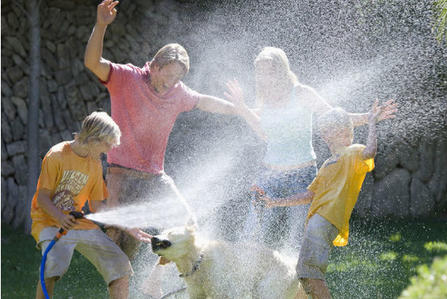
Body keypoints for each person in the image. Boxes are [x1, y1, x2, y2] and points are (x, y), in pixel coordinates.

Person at [84, 1, 257, 297]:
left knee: (187, 224)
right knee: (119, 250)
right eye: (169, 74)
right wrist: (101, 25)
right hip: (121, 175)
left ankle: (154, 283)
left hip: (155, 177)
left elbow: (205, 101)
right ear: (154, 65)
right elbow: (92, 62)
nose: (172, 82)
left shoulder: (178, 93)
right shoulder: (126, 78)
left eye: (178, 78)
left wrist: (238, 109)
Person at [228, 46, 396, 252]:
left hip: (302, 175)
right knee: (252, 231)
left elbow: (335, 117)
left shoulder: (301, 93)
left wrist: (369, 117)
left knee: (298, 239)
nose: (264, 77)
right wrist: (242, 107)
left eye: (269, 71)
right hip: (268, 175)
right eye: (260, 72)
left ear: (281, 70)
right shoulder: (265, 99)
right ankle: (242, 279)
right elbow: (265, 133)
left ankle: (297, 282)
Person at [259, 104, 383, 299]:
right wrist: (274, 202)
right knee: (304, 273)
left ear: (347, 133)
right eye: (326, 130)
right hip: (317, 220)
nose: (326, 135)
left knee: (308, 272)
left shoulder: (353, 152)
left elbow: (370, 151)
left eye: (332, 130)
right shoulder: (327, 164)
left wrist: (372, 122)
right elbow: (309, 195)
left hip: (326, 220)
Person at [31, 111, 141, 299]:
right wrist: (60, 218)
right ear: (93, 138)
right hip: (48, 221)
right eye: (107, 144)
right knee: (52, 265)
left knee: (120, 265)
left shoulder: (95, 164)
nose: (108, 150)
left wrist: (125, 224)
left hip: (78, 223)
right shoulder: (57, 155)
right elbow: (42, 198)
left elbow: (97, 206)